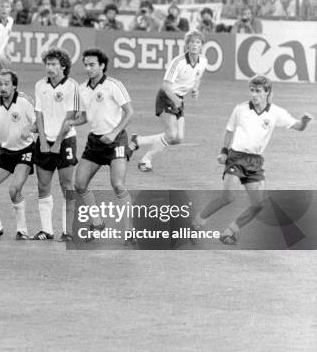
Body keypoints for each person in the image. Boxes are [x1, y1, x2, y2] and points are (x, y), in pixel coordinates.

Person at [191, 76, 312, 244]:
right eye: (252, 91)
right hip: (236, 158)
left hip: (255, 162)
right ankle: (197, 223)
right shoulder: (240, 109)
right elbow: (229, 131)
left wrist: (304, 122)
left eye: (258, 91)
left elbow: (298, 126)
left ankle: (229, 232)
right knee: (228, 197)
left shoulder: (276, 112)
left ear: (267, 92)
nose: (254, 95)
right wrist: (223, 151)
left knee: (259, 203)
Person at [64, 48, 134, 241]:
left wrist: (113, 133)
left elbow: (129, 112)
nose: (88, 68)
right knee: (79, 184)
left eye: (92, 64)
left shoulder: (113, 85)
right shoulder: (82, 88)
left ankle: (129, 230)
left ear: (102, 65)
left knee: (118, 185)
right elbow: (86, 116)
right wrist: (73, 122)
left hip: (116, 141)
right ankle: (97, 223)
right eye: (86, 65)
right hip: (95, 142)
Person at [129, 30, 207, 172]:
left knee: (178, 138)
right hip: (167, 96)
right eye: (192, 42)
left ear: (201, 46)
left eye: (198, 42)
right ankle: (145, 160)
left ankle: (138, 141)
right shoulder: (178, 62)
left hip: (179, 99)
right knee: (171, 134)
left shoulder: (203, 62)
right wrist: (176, 99)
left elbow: (198, 77)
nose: (195, 45)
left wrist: (195, 89)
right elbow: (165, 85)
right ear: (187, 45)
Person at [0, 69, 36, 240]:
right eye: (0, 84)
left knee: (14, 189)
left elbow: (39, 123)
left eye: (6, 84)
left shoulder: (25, 102)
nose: (2, 87)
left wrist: (29, 129)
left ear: (14, 86)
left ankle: (22, 230)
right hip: (6, 152)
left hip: (25, 151)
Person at [32, 48, 80, 241]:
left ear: (63, 67)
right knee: (43, 185)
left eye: (54, 64)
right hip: (45, 141)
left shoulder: (72, 86)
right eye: (48, 64)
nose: (49, 68)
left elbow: (71, 116)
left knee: (66, 184)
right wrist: (43, 140)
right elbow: (39, 114)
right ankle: (46, 230)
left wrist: (58, 141)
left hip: (66, 140)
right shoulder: (39, 85)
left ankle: (68, 231)